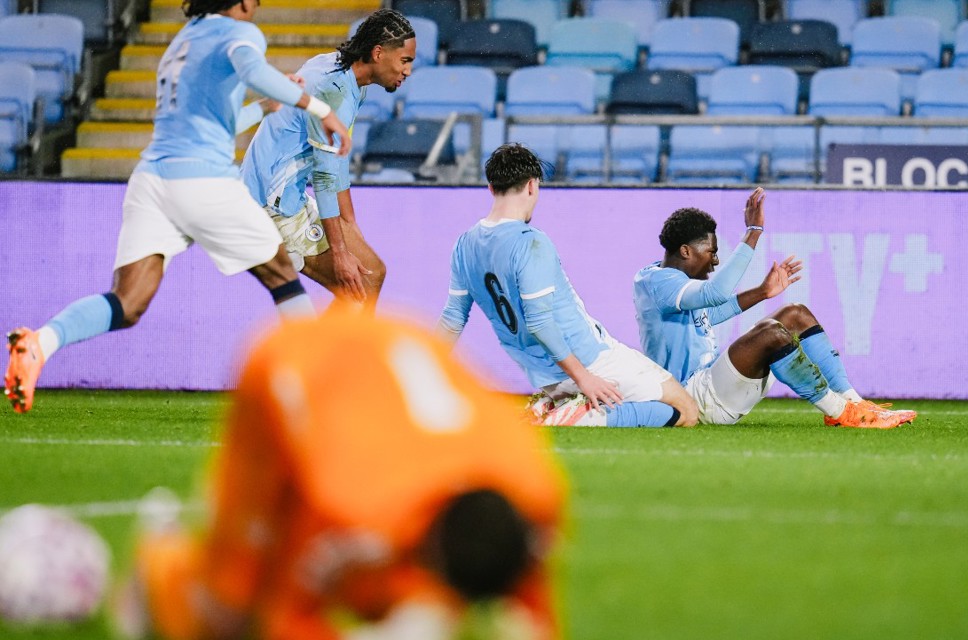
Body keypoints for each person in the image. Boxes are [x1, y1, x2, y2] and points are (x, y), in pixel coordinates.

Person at [113, 311, 567, 640]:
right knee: (230, 611)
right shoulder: (345, 508)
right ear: (425, 552)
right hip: (291, 366)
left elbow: (533, 613)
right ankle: (160, 563)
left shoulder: (536, 493)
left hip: (397, 351)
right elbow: (285, 620)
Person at [3, 0, 353, 414]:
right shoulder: (239, 33)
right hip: (202, 181)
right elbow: (254, 70)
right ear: (241, 2)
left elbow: (210, 125)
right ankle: (317, 398)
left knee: (128, 302)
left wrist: (263, 107)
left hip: (152, 182)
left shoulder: (183, 42)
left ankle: (39, 344)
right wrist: (319, 107)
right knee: (281, 271)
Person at [437, 144, 698, 428]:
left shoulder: (465, 244)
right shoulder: (530, 242)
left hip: (542, 373)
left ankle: (557, 404)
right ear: (531, 186)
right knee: (686, 410)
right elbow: (539, 323)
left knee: (650, 404)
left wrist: (424, 372)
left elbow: (452, 319)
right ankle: (577, 416)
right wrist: (584, 378)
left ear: (490, 188)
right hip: (586, 360)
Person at [633, 187, 918, 428]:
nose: (716, 261)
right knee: (772, 333)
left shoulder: (673, 282)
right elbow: (717, 292)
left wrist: (762, 292)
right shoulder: (658, 281)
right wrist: (753, 232)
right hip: (692, 397)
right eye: (712, 252)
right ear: (685, 251)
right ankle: (843, 413)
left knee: (795, 313)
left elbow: (711, 314)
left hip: (713, 383)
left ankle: (853, 402)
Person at [240, 9, 416, 311]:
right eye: (405, 61)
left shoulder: (342, 72)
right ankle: (328, 357)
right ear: (377, 53)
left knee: (370, 275)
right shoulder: (332, 91)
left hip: (284, 192)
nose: (408, 72)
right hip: (271, 205)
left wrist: (351, 226)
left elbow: (337, 162)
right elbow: (323, 177)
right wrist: (340, 252)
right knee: (365, 282)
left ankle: (329, 353)